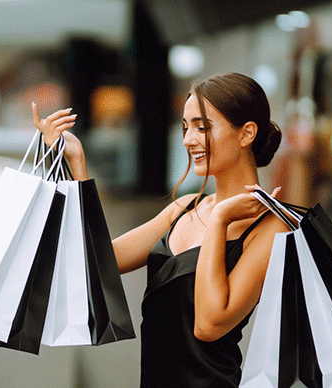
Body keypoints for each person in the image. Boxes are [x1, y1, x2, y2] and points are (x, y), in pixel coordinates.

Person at [32, 72, 290, 388]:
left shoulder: (272, 228)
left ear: (246, 133)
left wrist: (220, 219)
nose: (188, 140)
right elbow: (95, 264)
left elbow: (209, 325)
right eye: (185, 127)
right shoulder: (183, 210)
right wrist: (77, 165)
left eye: (202, 127)